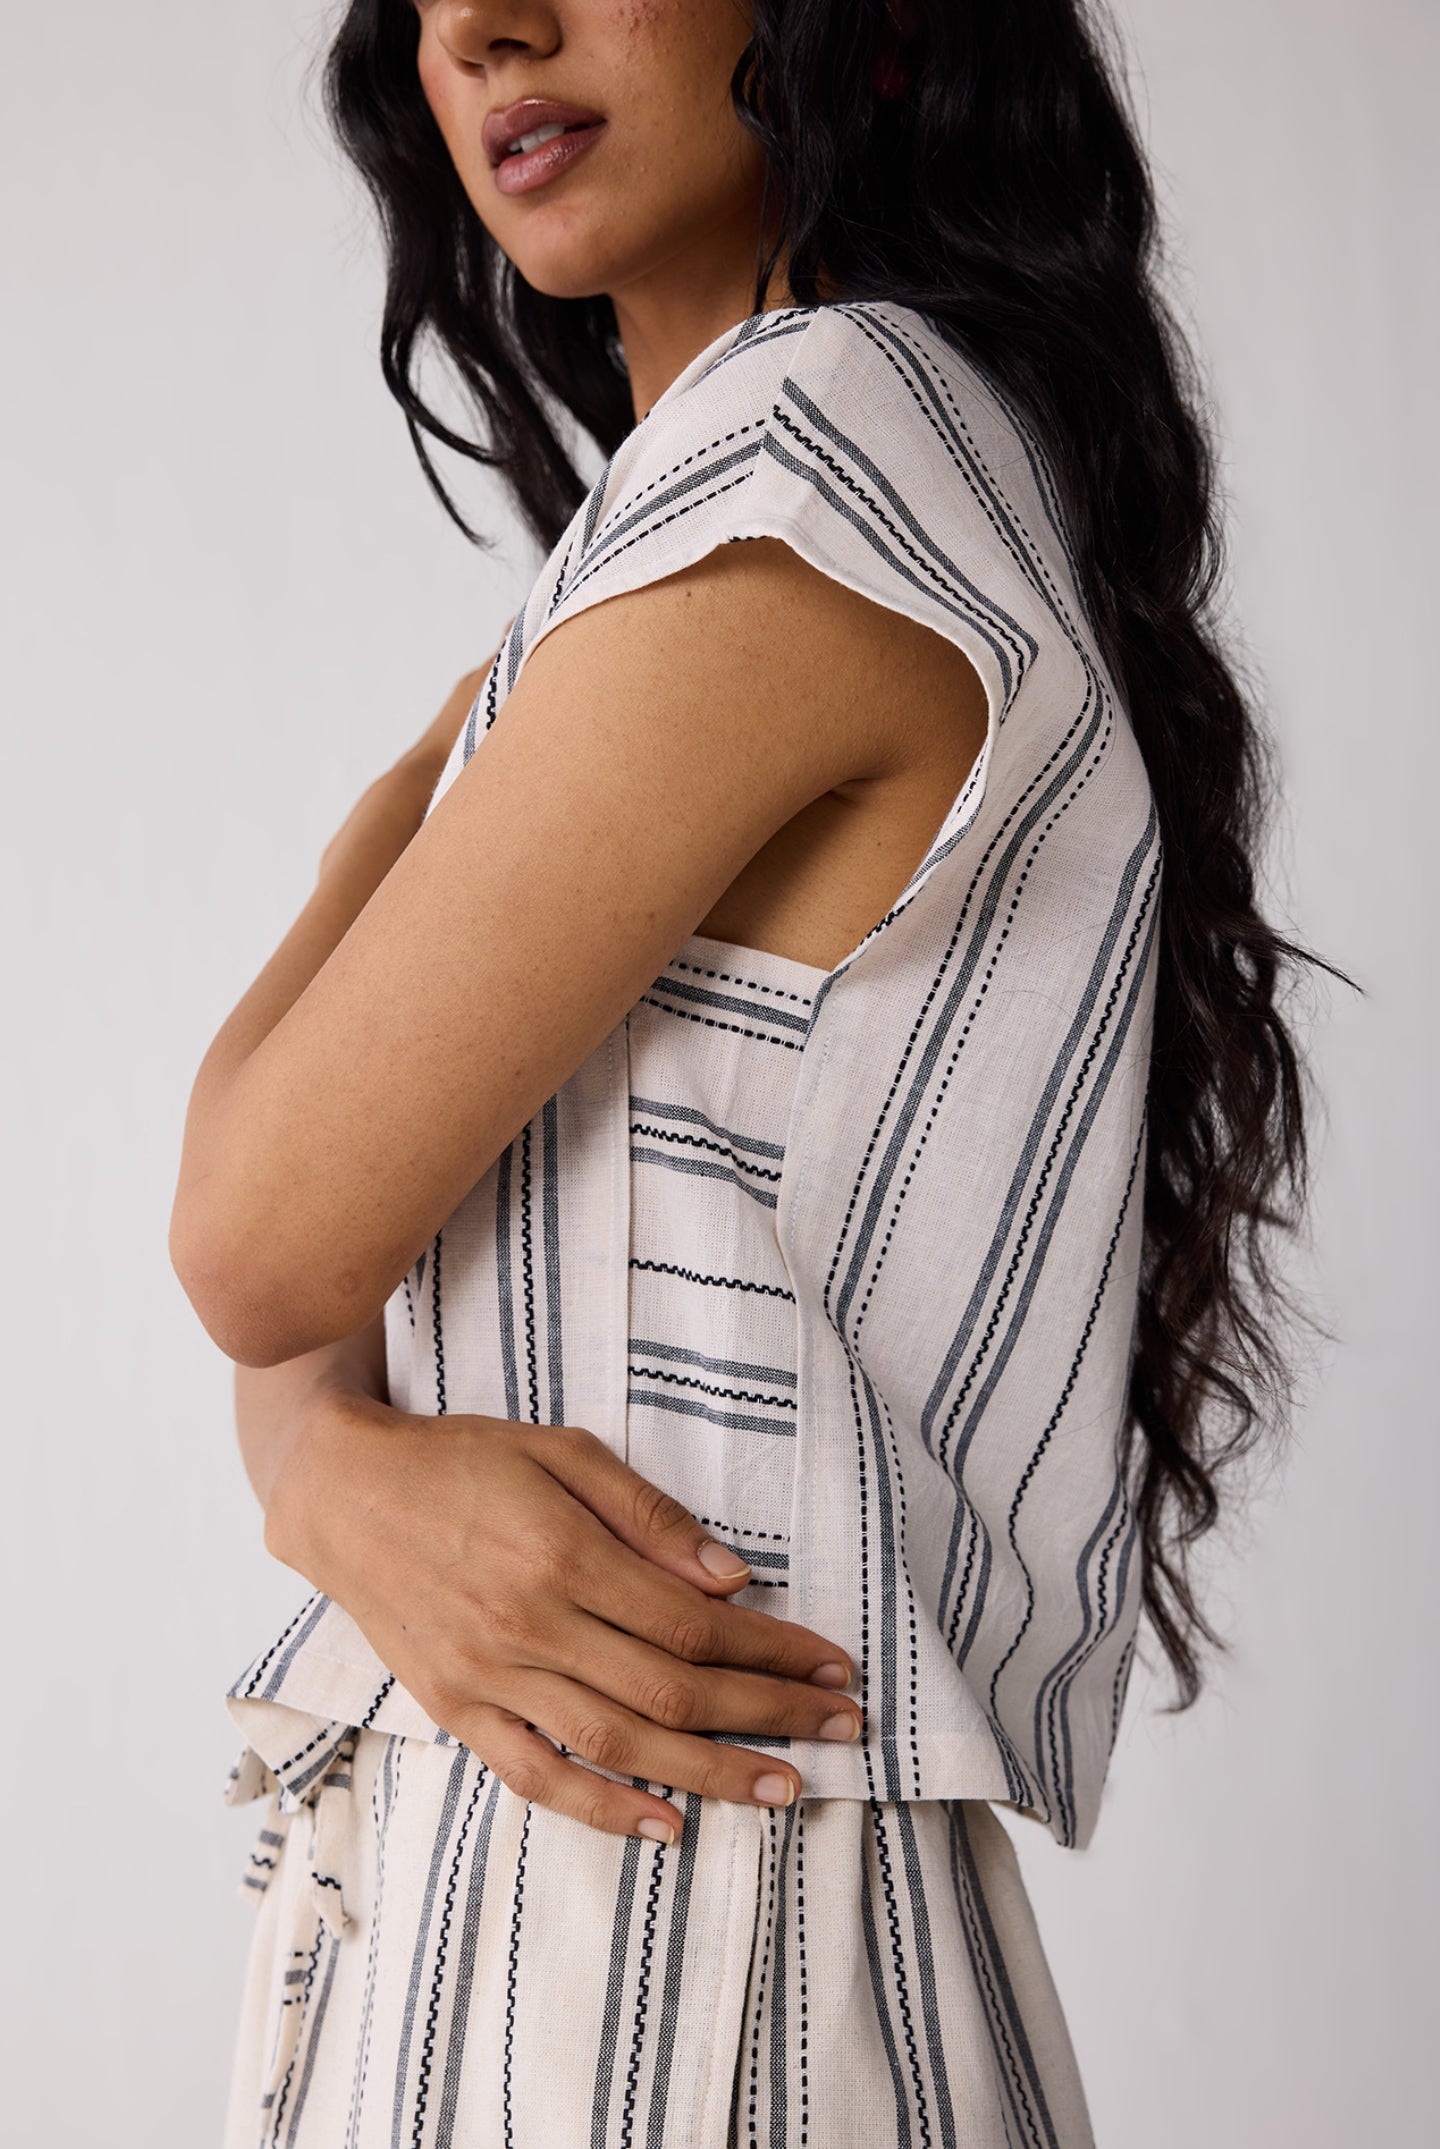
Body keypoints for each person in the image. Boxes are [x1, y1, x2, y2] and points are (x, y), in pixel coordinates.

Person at [170, 2, 1318, 2142]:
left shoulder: (810, 482)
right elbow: (312, 1278)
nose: (483, 27)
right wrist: (328, 1473)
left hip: (672, 1966)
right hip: (623, 1932)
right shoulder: (789, 488)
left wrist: (390, 816)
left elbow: (257, 1239)